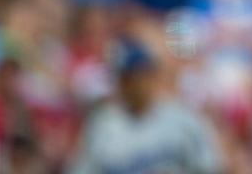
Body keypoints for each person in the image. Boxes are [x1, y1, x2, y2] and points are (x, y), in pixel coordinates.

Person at [69, 38, 224, 174]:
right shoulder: (102, 125)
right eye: (125, 79)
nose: (132, 85)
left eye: (136, 76)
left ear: (151, 75)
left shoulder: (183, 119)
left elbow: (209, 167)